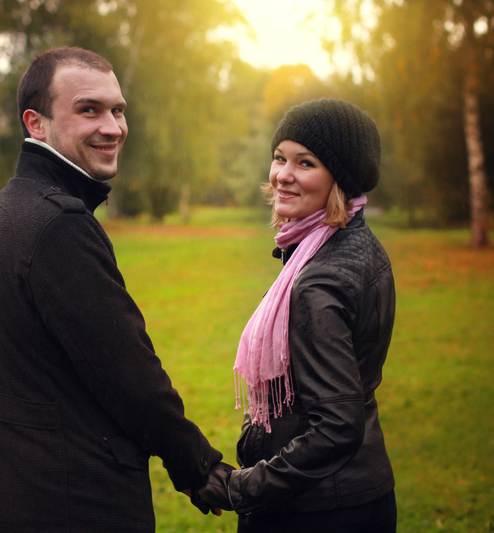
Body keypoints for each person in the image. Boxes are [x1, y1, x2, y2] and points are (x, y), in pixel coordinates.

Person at [0, 46, 222, 533]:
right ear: (36, 124)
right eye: (89, 110)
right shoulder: (58, 223)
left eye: (118, 110)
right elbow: (129, 373)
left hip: (1, 499)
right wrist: (196, 464)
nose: (113, 127)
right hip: (71, 504)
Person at [191, 98, 397, 532]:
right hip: (361, 493)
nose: (282, 175)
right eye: (279, 157)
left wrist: (239, 488)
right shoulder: (357, 246)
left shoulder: (319, 281)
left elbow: (337, 427)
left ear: (340, 178)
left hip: (315, 512)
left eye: (305, 163)